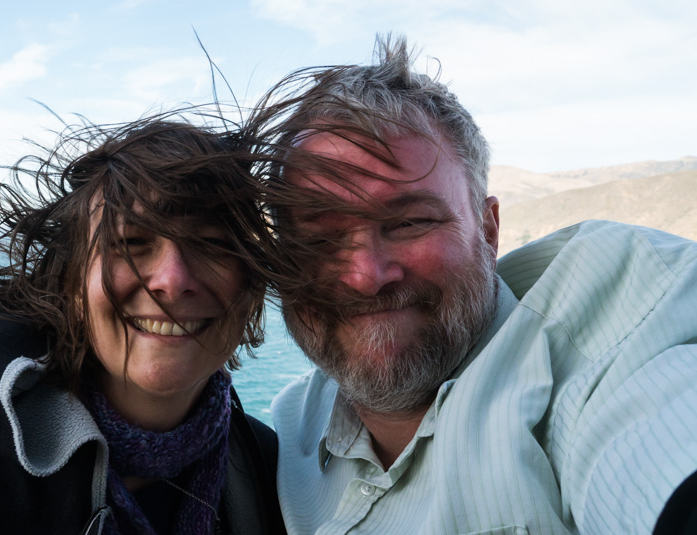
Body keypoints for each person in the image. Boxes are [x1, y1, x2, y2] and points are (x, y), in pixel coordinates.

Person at [249, 35, 697, 534]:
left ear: (487, 231)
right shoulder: (289, 428)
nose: (366, 277)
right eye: (320, 238)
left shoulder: (603, 338)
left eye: (410, 223)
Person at [0, 114, 286, 534]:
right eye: (131, 242)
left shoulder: (264, 463)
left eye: (211, 244)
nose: (172, 281)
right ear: (71, 284)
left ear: (251, 287)